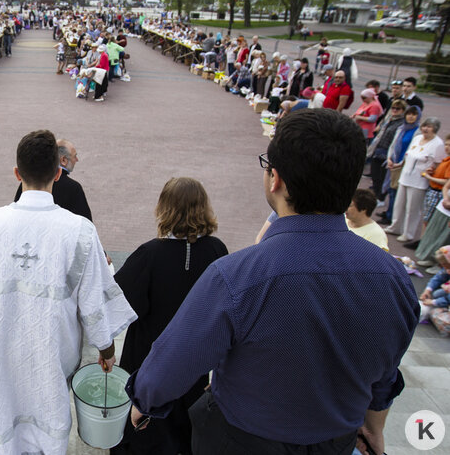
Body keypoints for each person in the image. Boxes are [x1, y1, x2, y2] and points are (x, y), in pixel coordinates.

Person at [125, 109, 418, 455]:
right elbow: (385, 373)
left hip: (243, 438)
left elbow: (174, 359)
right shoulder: (394, 277)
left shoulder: (237, 275)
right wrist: (373, 429)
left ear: (275, 179)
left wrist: (143, 402)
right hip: (336, 438)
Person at [0, 130, 136, 455]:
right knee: (49, 415)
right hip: (51, 351)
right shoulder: (80, 232)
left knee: (6, 415)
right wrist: (106, 349)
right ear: (59, 173)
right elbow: (92, 304)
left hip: (2, 347)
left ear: (17, 174)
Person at [112, 177, 228, 455]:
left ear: (164, 208)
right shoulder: (217, 251)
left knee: (142, 438)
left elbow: (118, 305)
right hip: (196, 365)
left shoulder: (149, 254)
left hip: (149, 365)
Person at [386, 117, 445, 243]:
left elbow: (439, 163)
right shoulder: (417, 138)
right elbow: (408, 155)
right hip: (405, 176)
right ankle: (395, 226)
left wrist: (431, 171)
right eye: (424, 126)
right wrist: (398, 165)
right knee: (399, 204)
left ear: (435, 129)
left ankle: (408, 233)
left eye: (429, 127)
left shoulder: (438, 144)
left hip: (419, 180)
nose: (425, 129)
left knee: (412, 209)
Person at [14, 138, 92, 220]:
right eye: (75, 156)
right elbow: (87, 225)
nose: (77, 160)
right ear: (63, 160)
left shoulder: (28, 183)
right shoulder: (73, 188)